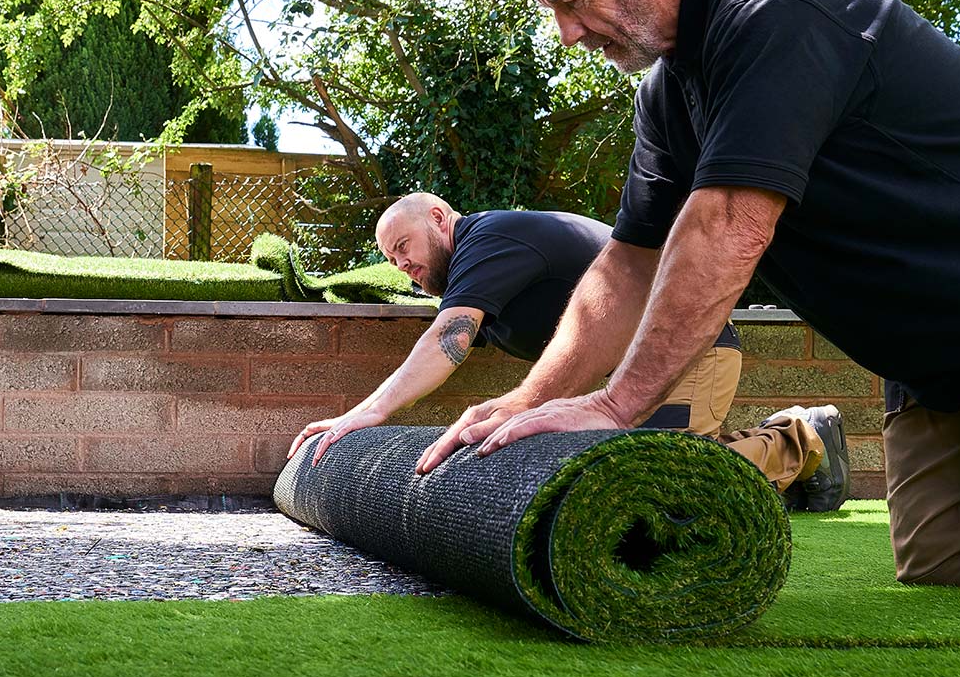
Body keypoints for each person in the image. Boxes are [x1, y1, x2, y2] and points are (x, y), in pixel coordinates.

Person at [419, 0, 960, 596]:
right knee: (951, 570)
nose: (568, 33)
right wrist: (529, 399)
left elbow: (729, 224)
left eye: (570, 1)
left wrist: (616, 408)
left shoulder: (777, 4)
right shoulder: (668, 93)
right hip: (941, 358)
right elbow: (629, 263)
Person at [290, 192, 851, 511]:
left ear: (438, 219)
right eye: (392, 260)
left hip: (687, 350)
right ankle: (781, 457)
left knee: (664, 483)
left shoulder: (486, 240)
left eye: (403, 248)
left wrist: (368, 413)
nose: (403, 267)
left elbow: (446, 342)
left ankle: (801, 440)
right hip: (626, 378)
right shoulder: (483, 278)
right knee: (624, 481)